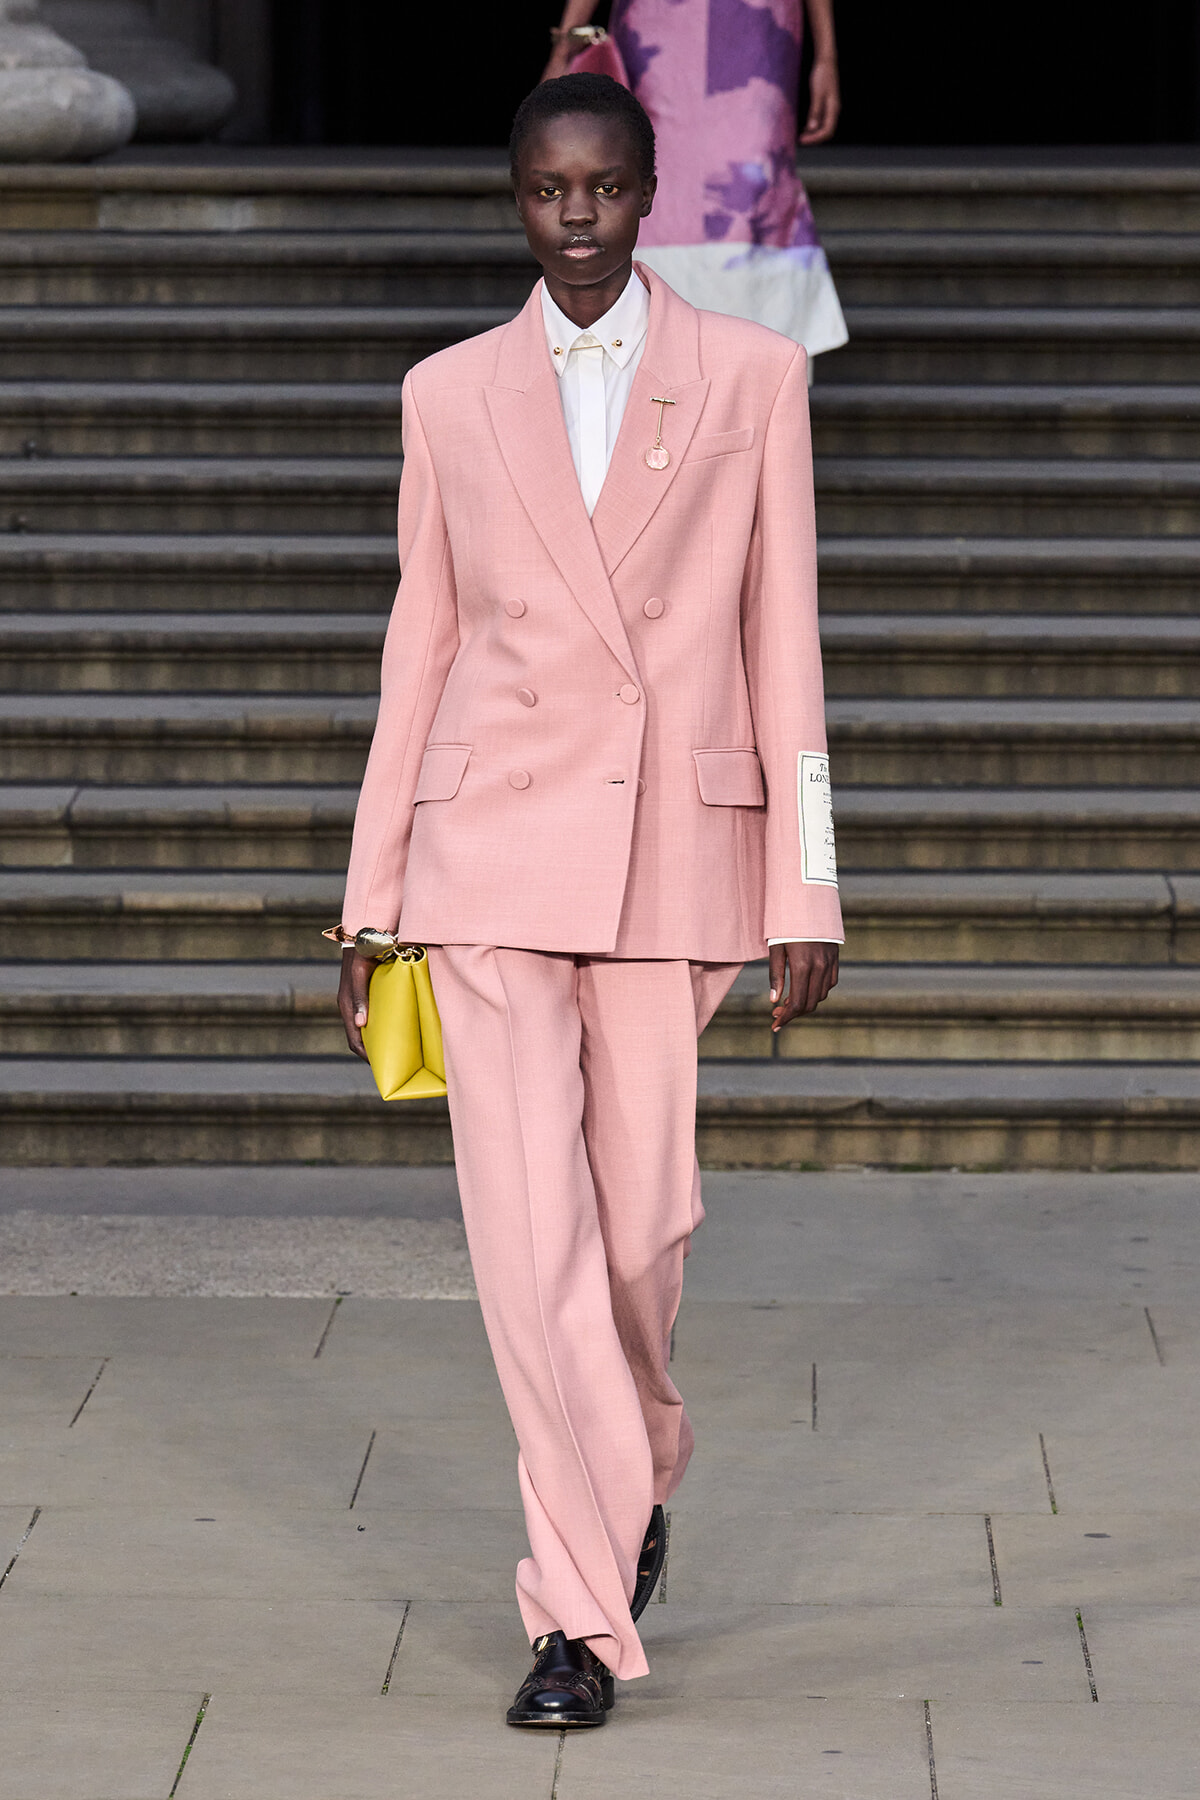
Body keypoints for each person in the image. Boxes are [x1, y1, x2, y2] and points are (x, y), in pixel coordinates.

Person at [335, 71, 842, 1729]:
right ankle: (574, 1612)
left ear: (646, 192)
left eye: (605, 189)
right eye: (549, 191)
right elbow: (422, 646)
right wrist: (372, 897)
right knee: (530, 1244)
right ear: (515, 196)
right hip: (486, 862)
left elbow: (788, 643)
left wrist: (810, 879)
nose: (577, 219)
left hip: (668, 868)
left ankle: (632, 1474)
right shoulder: (449, 394)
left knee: (635, 1245)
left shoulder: (755, 380)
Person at [544, 0, 847, 360]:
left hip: (759, 23)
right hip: (656, 26)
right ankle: (651, 362)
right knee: (652, 182)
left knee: (751, 188)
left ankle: (765, 373)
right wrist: (565, 44)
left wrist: (826, 56)